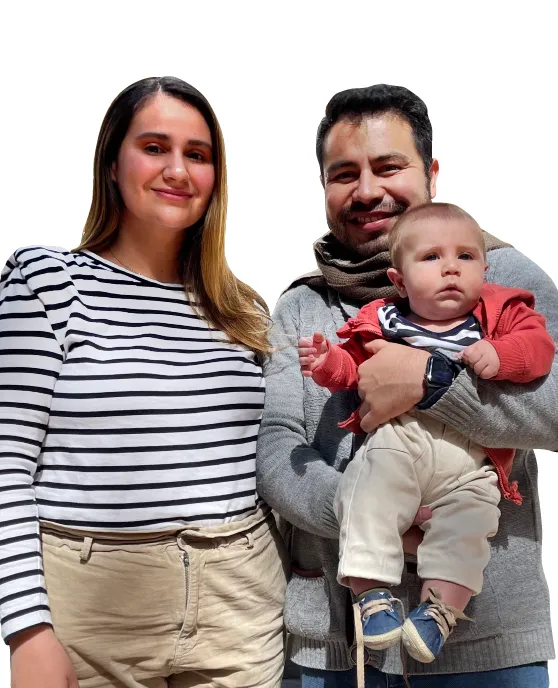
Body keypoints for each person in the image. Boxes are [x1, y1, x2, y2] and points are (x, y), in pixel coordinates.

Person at [257, 84, 557, 687]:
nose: (367, 190)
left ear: (431, 174)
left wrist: (431, 380)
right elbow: (276, 447)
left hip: (485, 648)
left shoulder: (500, 280)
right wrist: (365, 509)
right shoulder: (302, 305)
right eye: (345, 174)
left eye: (388, 166)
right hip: (332, 648)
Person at [0, 76, 288, 688]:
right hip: (93, 604)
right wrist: (26, 629)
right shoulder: (46, 283)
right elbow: (6, 465)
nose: (177, 170)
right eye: (154, 147)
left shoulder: (243, 312)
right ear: (112, 164)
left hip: (241, 600)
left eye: (197, 154)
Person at [298, 202, 554, 665]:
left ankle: (439, 612)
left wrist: (505, 355)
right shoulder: (386, 320)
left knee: (469, 527)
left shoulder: (504, 312)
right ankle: (372, 596)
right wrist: (327, 364)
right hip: (403, 440)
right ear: (399, 281)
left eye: (466, 256)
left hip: (472, 461)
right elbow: (354, 372)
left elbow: (540, 348)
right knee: (367, 486)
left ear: (485, 270)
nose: (451, 268)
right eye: (432, 257)